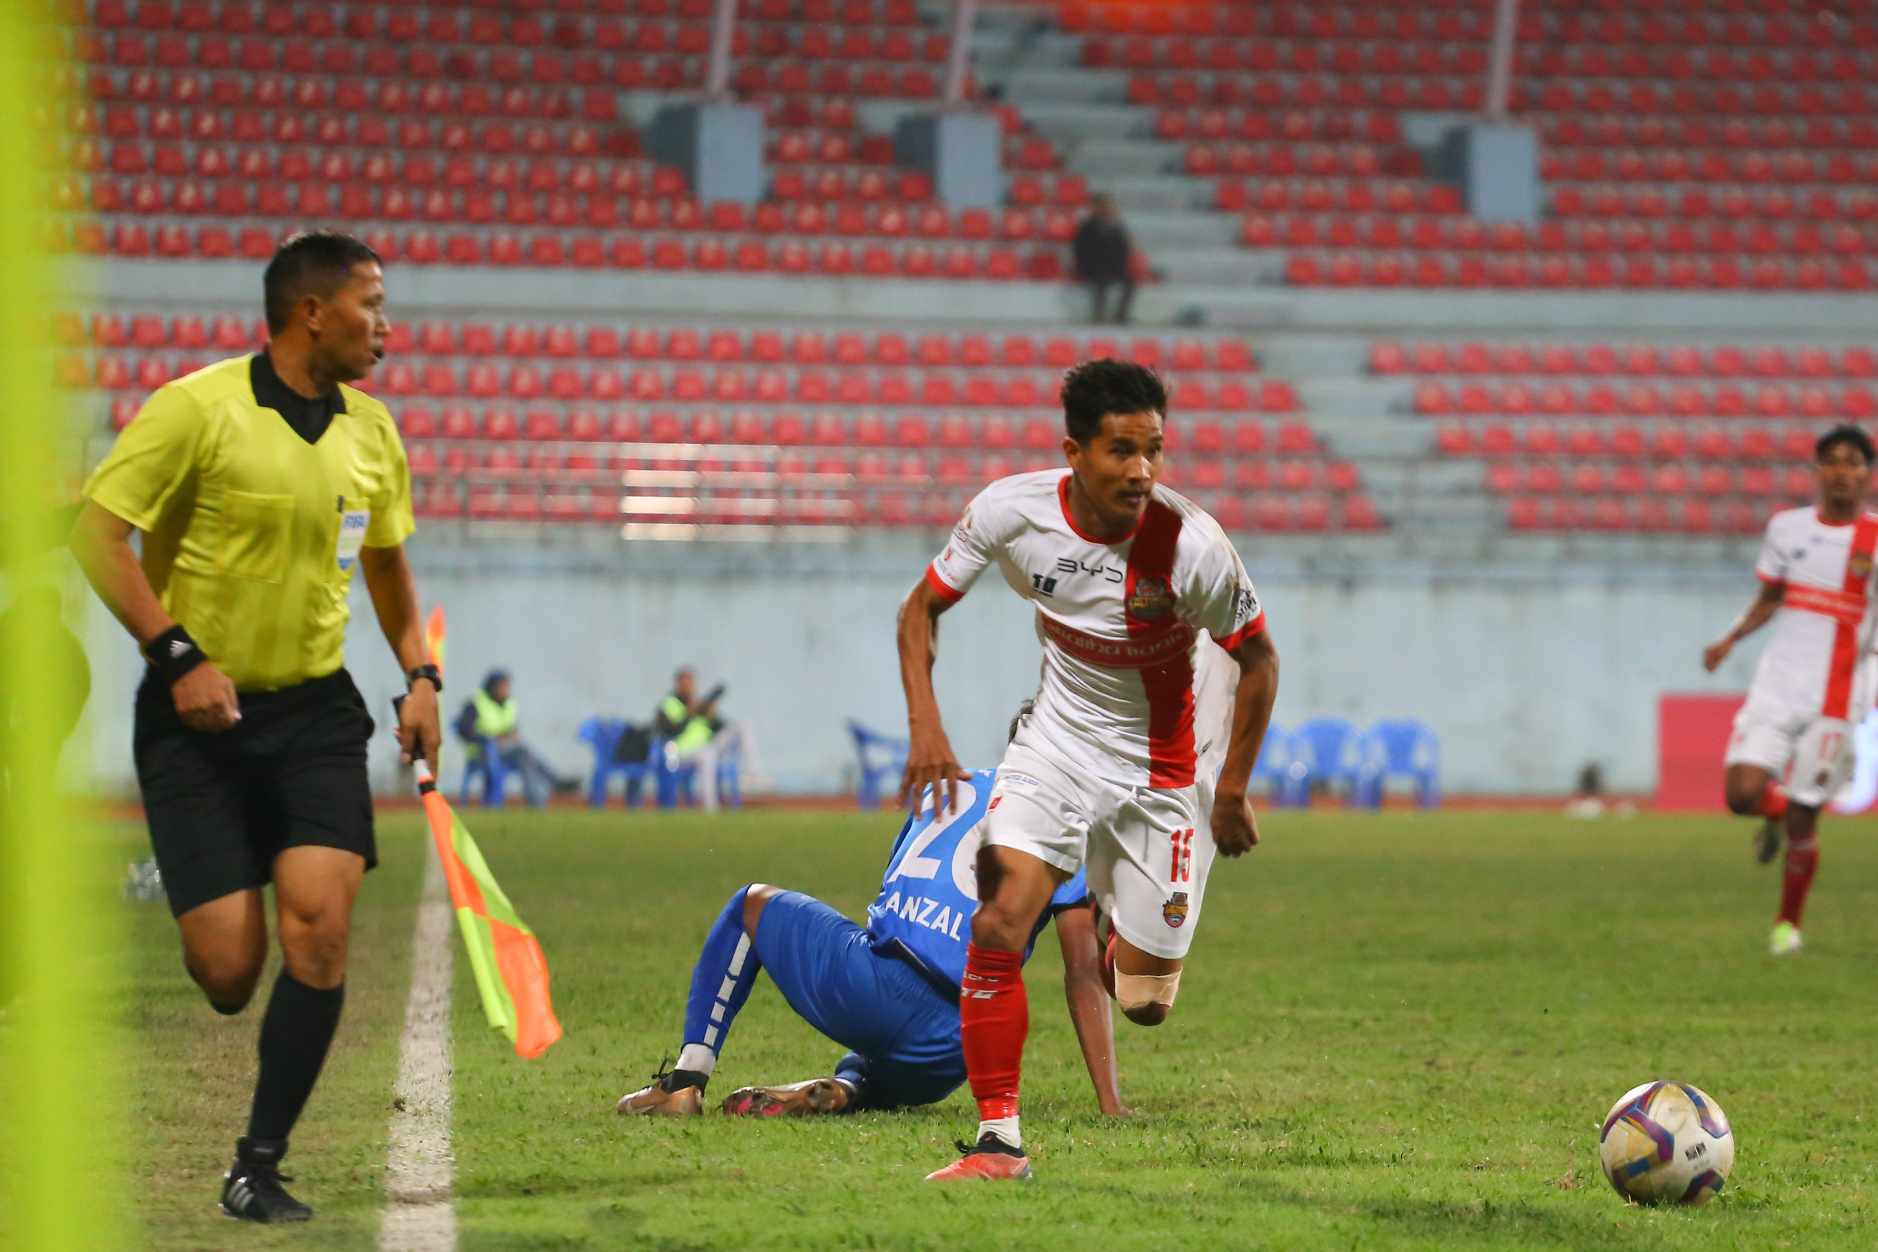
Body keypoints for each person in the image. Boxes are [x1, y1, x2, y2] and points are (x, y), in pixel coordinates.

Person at [69, 230, 442, 1224]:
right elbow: (96, 536)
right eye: (371, 305)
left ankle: (258, 1164)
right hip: (196, 719)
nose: (386, 326)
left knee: (319, 929)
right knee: (229, 971)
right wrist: (176, 654)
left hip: (316, 712)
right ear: (312, 312)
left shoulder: (373, 432)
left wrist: (421, 675)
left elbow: (388, 567)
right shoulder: (195, 409)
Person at [897, 359, 1278, 1181]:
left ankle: (1116, 922)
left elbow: (1259, 662)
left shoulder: (1192, 546)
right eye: (1121, 451)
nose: (1142, 471)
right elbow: (921, 606)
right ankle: (999, 1144)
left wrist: (1231, 792)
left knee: (1144, 1004)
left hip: (1162, 772)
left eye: (1154, 450)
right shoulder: (1012, 513)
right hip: (1057, 746)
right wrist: (926, 727)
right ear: (1074, 453)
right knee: (999, 923)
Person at [615, 705, 1127, 1121]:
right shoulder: (1065, 829)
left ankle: (685, 1082)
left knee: (748, 904)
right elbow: (1082, 972)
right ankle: (847, 1088)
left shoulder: (946, 786)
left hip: (874, 985)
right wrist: (1110, 1103)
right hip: (956, 1046)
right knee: (882, 1057)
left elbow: (894, 889)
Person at [1702, 424, 1878, 957]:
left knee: (1807, 813)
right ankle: (1774, 816)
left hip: (1837, 700)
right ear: (1817, 471)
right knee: (1741, 795)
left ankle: (1786, 926)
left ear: (1867, 475)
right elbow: (1771, 596)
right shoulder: (1786, 528)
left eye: (1853, 462)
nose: (1842, 471)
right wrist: (1730, 637)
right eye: (1832, 460)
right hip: (1777, 687)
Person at [454, 669, 578, 806]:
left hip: (505, 750)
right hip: (482, 752)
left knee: (525, 759)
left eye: (507, 686)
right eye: (502, 686)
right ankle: (554, 782)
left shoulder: (509, 704)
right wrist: (489, 738)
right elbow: (463, 729)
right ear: (492, 687)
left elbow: (511, 728)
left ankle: (537, 801)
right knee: (523, 753)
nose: (506, 690)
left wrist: (509, 736)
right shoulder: (476, 704)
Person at [656, 666, 733, 811]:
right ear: (678, 685)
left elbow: (718, 728)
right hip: (678, 753)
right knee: (708, 755)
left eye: (690, 683)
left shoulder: (699, 704)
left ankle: (752, 774)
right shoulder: (669, 704)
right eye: (685, 684)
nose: (689, 687)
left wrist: (711, 716)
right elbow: (666, 731)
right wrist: (688, 716)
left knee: (741, 727)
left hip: (704, 748)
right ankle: (711, 808)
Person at [1072, 194, 1136, 325]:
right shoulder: (1086, 227)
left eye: (1107, 206)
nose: (1105, 208)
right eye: (1102, 205)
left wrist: (1120, 266)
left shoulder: (1116, 227)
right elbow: (1081, 251)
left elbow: (1124, 248)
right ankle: (1098, 315)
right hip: (1092, 268)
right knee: (1102, 281)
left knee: (1130, 282)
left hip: (1114, 267)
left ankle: (1121, 315)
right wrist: (1083, 267)